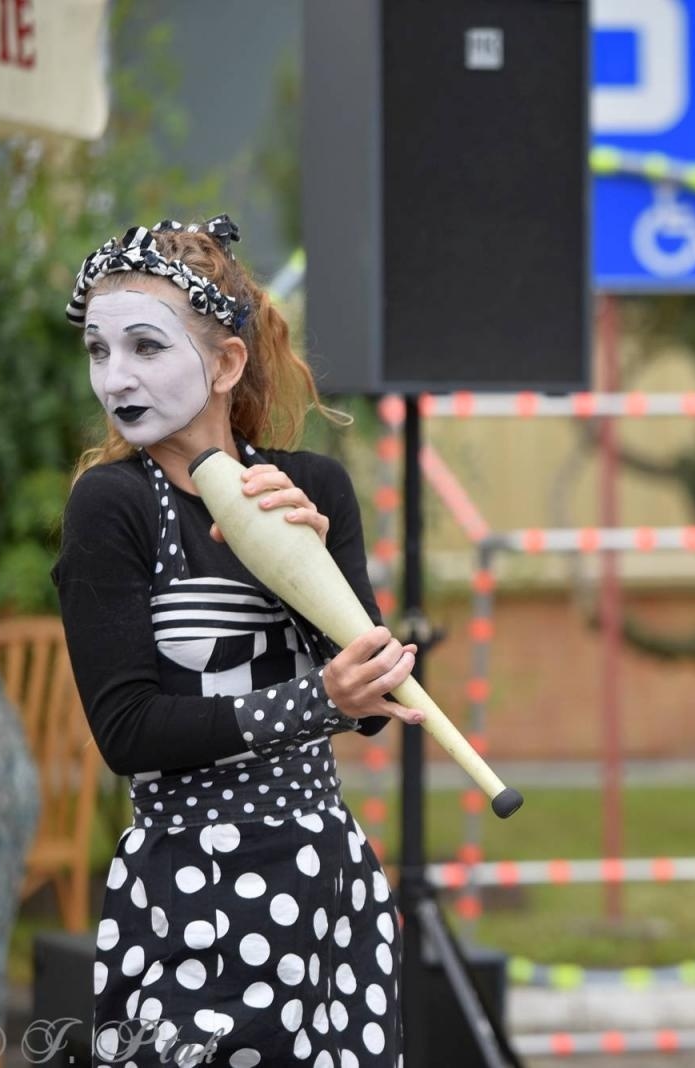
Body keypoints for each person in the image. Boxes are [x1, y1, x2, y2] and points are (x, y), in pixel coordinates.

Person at [52, 216, 421, 1068]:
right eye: (99, 351)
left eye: (145, 347)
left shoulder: (312, 485)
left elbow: (378, 703)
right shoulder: (112, 507)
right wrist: (315, 700)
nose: (116, 377)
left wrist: (313, 571)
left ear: (225, 364)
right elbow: (128, 733)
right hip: (192, 885)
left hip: (323, 879)